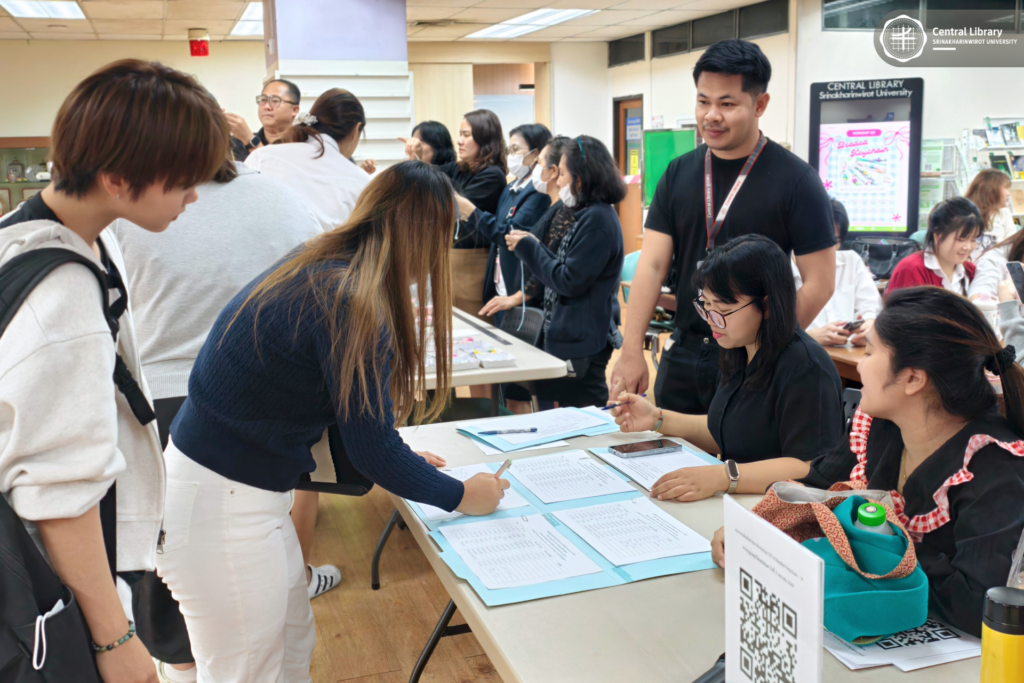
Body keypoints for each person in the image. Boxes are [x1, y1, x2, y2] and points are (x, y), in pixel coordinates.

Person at [155, 162, 508, 682]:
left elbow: (350, 419)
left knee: (291, 643)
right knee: (245, 670)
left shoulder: (327, 264)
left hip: (236, 491)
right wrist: (462, 495)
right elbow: (371, 448)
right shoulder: (351, 298)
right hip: (221, 501)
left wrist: (402, 460)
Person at [0, 59, 228, 683]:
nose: (191, 199)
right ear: (118, 178)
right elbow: (60, 496)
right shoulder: (64, 298)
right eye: (183, 182)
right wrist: (115, 638)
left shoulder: (40, 234)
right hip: (57, 590)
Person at [111, 160, 324, 680]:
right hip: (266, 406)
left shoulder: (134, 205)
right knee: (264, 585)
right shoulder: (284, 198)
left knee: (169, 584)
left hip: (160, 400)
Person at [711, 287, 1024, 638]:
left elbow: (975, 604)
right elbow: (818, 485)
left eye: (871, 352)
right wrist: (759, 529)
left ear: (912, 379)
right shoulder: (883, 423)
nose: (859, 362)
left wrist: (872, 545)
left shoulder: (994, 467)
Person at [610, 39, 836, 415]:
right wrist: (631, 349)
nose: (711, 115)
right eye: (703, 101)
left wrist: (766, 346)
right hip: (684, 350)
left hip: (753, 360)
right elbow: (651, 266)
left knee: (736, 467)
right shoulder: (678, 172)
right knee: (671, 459)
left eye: (727, 104)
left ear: (759, 104)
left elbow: (820, 281)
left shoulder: (796, 179)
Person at [611, 235, 844, 502]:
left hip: (777, 511)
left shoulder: (806, 368)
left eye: (721, 309)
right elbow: (727, 430)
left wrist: (725, 476)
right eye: (705, 307)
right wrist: (657, 419)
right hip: (740, 500)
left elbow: (808, 467)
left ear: (766, 305)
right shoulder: (738, 348)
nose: (711, 321)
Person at [504, 136, 625, 408]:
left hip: (583, 339)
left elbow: (568, 281)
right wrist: (533, 244)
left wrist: (530, 249)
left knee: (582, 414)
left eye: (564, 174)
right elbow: (564, 266)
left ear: (580, 179)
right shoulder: (587, 214)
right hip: (573, 335)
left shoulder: (597, 220)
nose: (558, 181)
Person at [404, 109, 507, 319]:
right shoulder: (460, 168)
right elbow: (428, 180)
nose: (459, 141)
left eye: (466, 135)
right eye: (459, 134)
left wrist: (423, 164)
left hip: (473, 264)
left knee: (472, 326)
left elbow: (455, 203)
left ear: (484, 137)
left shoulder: (493, 175)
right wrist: (415, 158)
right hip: (452, 259)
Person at [245, 88, 370, 233]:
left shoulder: (261, 157)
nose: (268, 106)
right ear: (356, 130)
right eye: (264, 100)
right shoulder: (361, 183)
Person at [481, 136, 573, 317]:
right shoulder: (551, 206)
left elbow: (550, 264)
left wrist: (516, 298)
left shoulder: (563, 212)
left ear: (554, 171)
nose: (535, 170)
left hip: (542, 309)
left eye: (539, 163)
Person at [474, 123, 552, 325]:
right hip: (500, 283)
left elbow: (509, 234)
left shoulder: (538, 192)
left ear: (536, 154)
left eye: (516, 149)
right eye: (509, 150)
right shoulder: (510, 188)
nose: (511, 155)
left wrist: (471, 212)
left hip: (521, 289)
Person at [799, 198, 882, 347]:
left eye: (835, 241)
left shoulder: (851, 261)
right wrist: (808, 337)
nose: (829, 249)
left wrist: (869, 324)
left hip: (849, 354)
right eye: (821, 240)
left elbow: (871, 307)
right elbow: (768, 335)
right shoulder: (781, 270)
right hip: (803, 358)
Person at [886, 197, 983, 296]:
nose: (967, 247)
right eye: (961, 240)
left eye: (973, 240)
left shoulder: (970, 271)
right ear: (937, 235)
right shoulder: (911, 269)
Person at [225, 79, 300, 162]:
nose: (266, 106)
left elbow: (279, 172)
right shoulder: (237, 142)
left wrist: (250, 141)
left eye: (275, 101)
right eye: (263, 100)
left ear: (294, 110)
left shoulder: (304, 144)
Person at [965, 168, 1015, 243]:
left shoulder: (1004, 212)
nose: (1008, 193)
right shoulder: (966, 213)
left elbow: (1011, 243)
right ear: (991, 190)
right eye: (1005, 188)